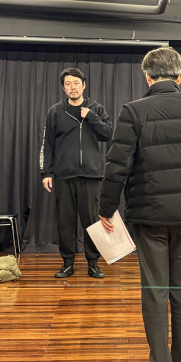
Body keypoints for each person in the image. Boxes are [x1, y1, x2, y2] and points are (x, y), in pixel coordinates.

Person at [98, 46, 181, 362]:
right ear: (179, 77)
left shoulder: (132, 111)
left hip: (150, 215)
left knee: (155, 290)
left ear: (147, 77)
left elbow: (116, 166)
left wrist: (106, 208)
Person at [40, 67, 113, 279]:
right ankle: (67, 264)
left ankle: (93, 264)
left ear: (84, 85)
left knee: (92, 222)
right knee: (65, 222)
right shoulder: (55, 111)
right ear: (64, 88)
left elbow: (108, 134)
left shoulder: (96, 108)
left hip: (91, 176)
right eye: (68, 84)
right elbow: (47, 144)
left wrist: (91, 117)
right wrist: (46, 172)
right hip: (64, 176)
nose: (72, 87)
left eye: (76, 83)